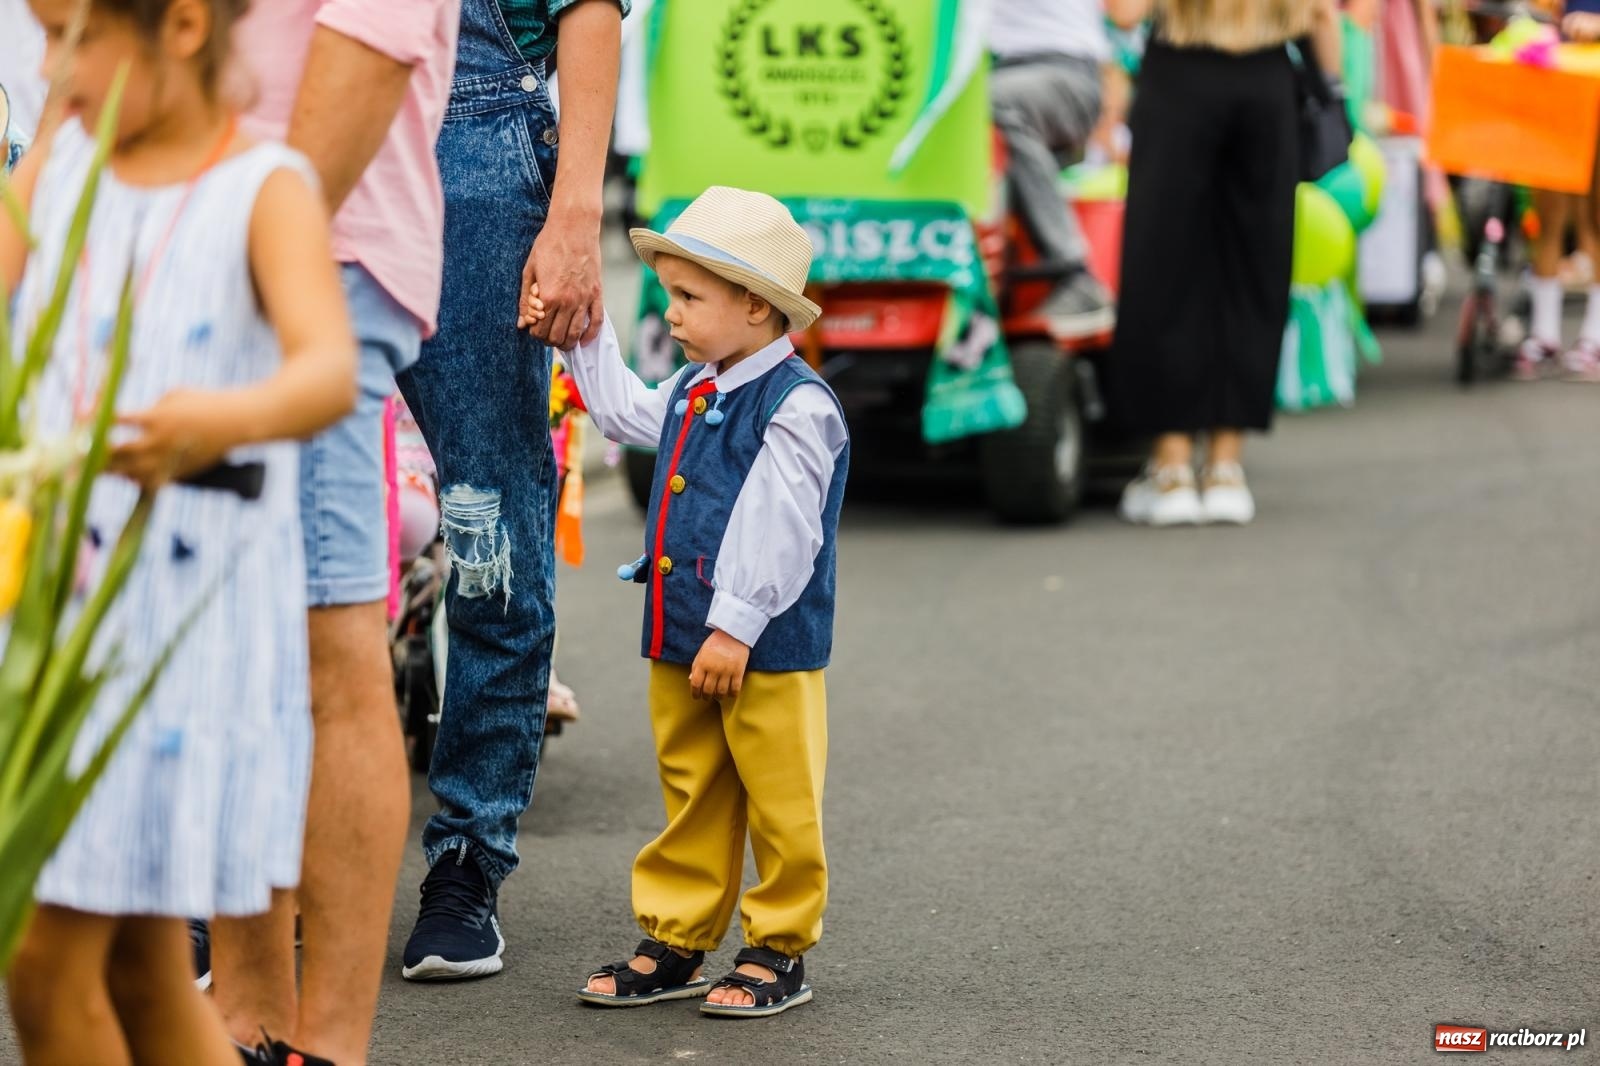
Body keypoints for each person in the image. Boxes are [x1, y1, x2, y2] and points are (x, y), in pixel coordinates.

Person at [1, 0, 355, 1062]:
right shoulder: (60, 168)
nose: (52, 65)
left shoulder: (264, 187)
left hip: (177, 627)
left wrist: (222, 418)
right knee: (142, 967)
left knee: (41, 947)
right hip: (64, 609)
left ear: (185, 27)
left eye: (75, 37)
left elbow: (324, 370)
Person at [204, 0, 457, 1062]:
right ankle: (248, 1015)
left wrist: (255, 259)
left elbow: (380, 27)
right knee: (222, 655)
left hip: (317, 253)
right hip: (191, 253)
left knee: (325, 641)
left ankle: (328, 1045)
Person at [549, 186, 849, 1020]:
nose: (671, 313)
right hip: (682, 636)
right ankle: (680, 933)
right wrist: (584, 331)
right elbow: (621, 411)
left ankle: (780, 946)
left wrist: (736, 626)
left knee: (778, 793)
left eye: (687, 297)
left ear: (755, 306)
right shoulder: (695, 386)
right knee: (693, 785)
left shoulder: (796, 405)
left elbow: (778, 526)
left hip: (762, 645)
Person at [395, 0, 625, 984]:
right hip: (290, 136)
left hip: (473, 139)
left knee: (484, 511)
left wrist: (575, 211)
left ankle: (467, 855)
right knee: (272, 519)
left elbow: (590, 8)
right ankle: (245, 870)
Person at [1108, 0, 1342, 527]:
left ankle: (1171, 469)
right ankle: (1225, 468)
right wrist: (1335, 94)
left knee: (1164, 265)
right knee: (1253, 265)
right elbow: (1321, 14)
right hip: (1265, 79)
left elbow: (1123, 12)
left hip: (1180, 71)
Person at [988, 0, 1119, 339]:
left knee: (991, 103)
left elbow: (1128, 13)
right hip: (991, 69)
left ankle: (1074, 273)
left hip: (1064, 72)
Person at [1513, 5, 1600, 383]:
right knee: (1547, 217)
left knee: (1595, 218)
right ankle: (1544, 336)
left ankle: (1594, 338)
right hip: (1554, 74)